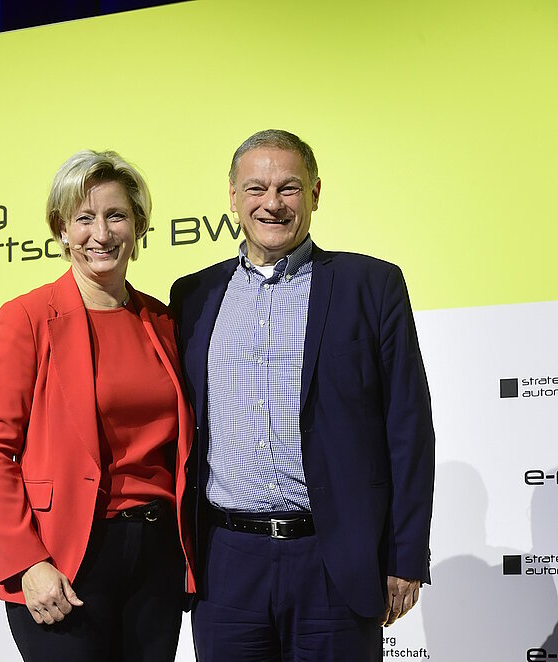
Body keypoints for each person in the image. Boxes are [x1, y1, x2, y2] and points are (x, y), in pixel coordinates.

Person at [170, 129, 435, 661]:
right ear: (232, 196)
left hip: (334, 558)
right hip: (226, 562)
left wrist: (404, 557)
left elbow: (408, 427)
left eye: (288, 188)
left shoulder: (373, 285)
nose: (272, 203)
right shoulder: (193, 295)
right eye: (256, 188)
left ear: (315, 193)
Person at [0, 149, 196, 662]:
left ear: (137, 225)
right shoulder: (26, 317)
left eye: (116, 215)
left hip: (156, 562)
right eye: (84, 218)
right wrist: (28, 562)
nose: (102, 233)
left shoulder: (162, 321)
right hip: (64, 560)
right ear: (61, 229)